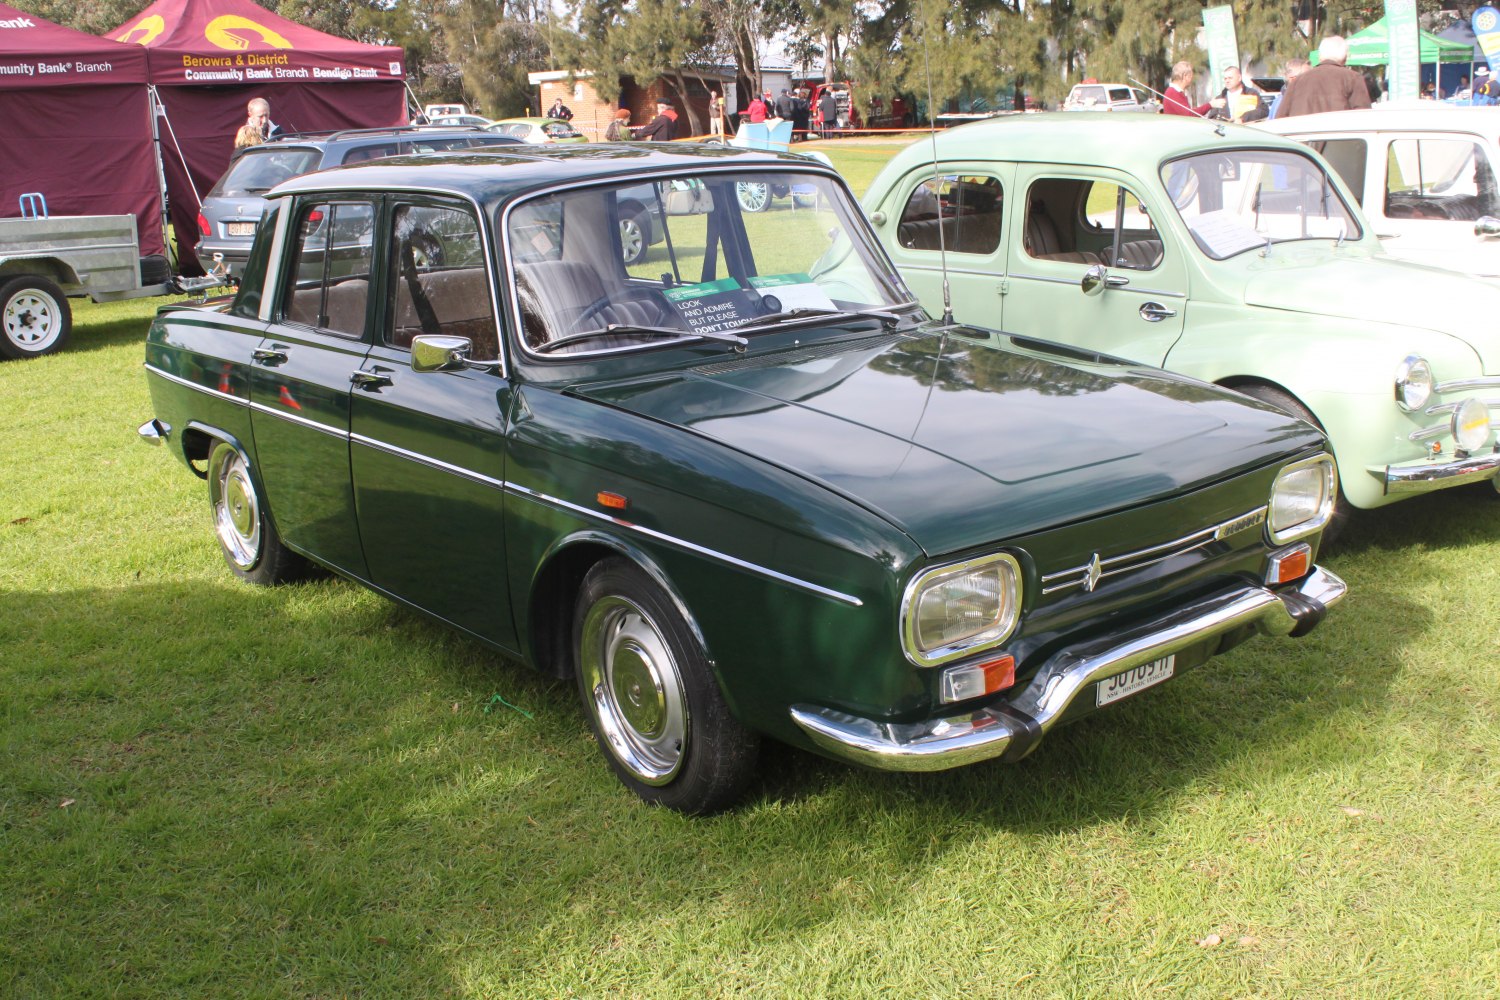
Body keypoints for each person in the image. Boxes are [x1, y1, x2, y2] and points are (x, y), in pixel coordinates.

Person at [1275, 36, 1373, 117]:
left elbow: (1280, 118)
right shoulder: (1353, 78)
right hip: (1339, 134)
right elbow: (1363, 117)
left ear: (1320, 56)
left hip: (1301, 134)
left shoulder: (1298, 81)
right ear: (1345, 58)